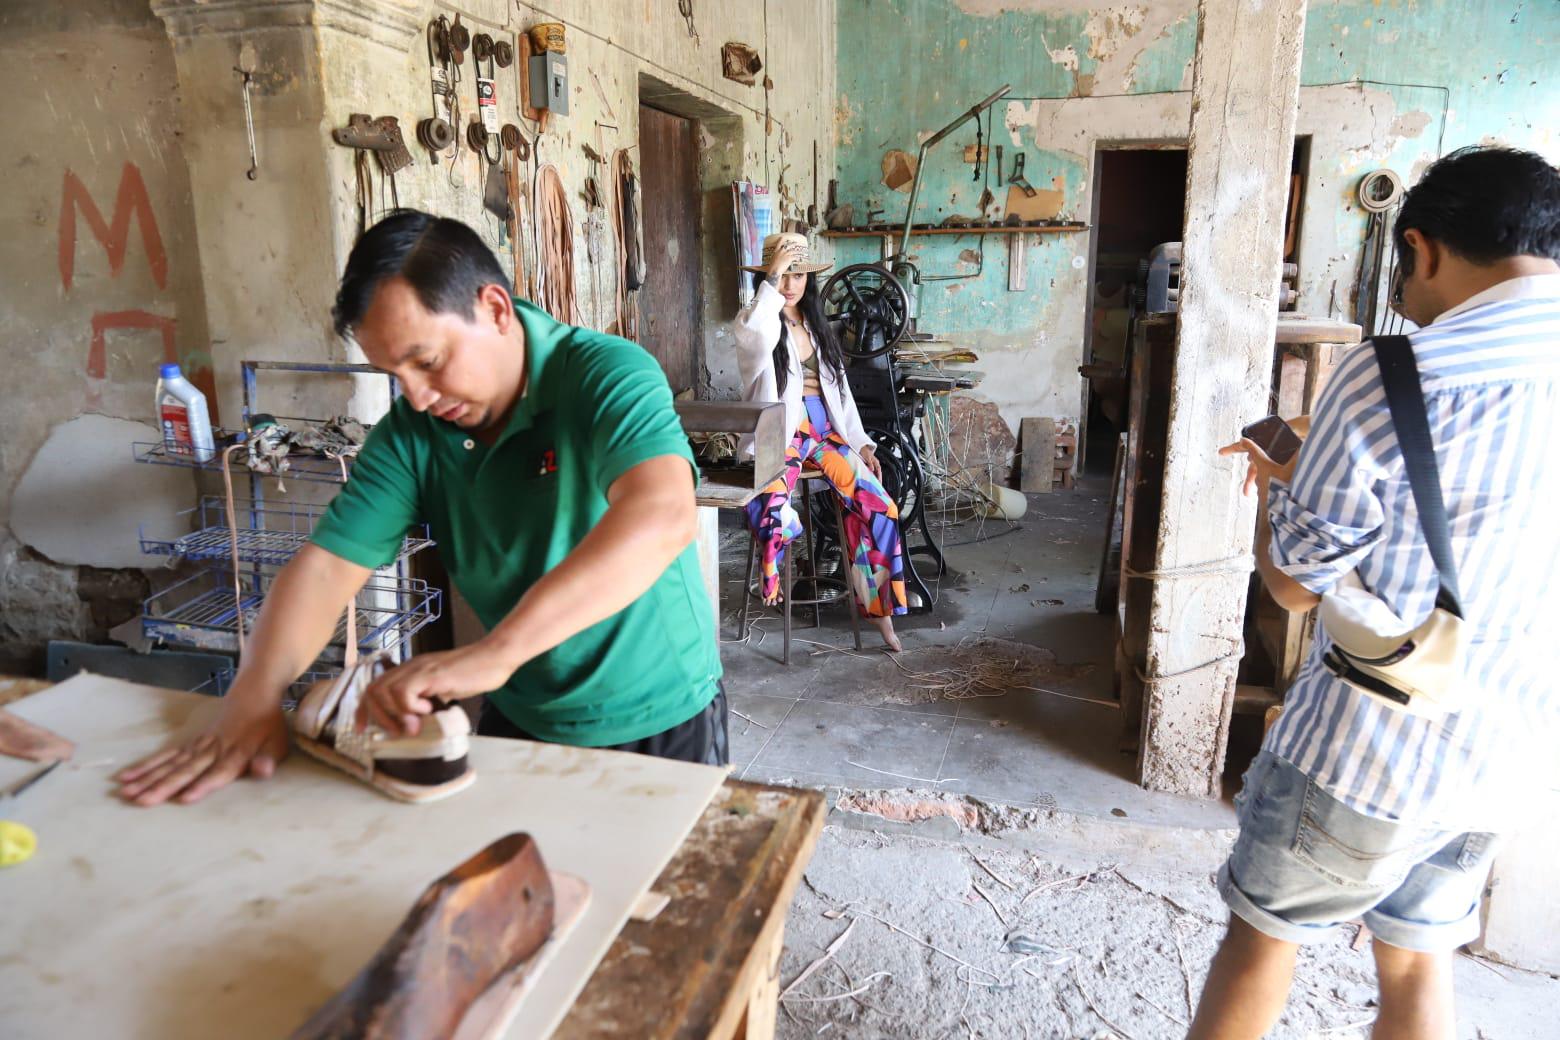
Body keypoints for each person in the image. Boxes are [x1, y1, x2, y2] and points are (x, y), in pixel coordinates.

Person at [117, 210, 726, 806]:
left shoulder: (604, 374)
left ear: (493, 309)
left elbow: (661, 514)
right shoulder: (412, 432)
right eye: (394, 374)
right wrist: (253, 696)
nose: (418, 396)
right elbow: (328, 568)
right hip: (520, 712)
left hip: (658, 716)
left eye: (428, 361)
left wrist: (492, 655)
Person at [1192, 146, 1560, 1040]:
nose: (1406, 296)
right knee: (1418, 959)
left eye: (1405, 271)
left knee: (1264, 940)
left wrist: (1286, 480)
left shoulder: (1392, 373)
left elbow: (1290, 588)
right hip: (1504, 752)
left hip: (1369, 751)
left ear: (1425, 250)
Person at [732, 233, 908, 651]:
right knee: (774, 511)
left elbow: (841, 395)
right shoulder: (756, 322)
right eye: (781, 274)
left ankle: (881, 615)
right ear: (768, 277)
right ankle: (774, 562)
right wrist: (770, 282)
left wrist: (862, 443)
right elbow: (755, 336)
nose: (790, 283)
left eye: (797, 274)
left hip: (826, 435)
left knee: (882, 509)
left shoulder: (819, 328)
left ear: (809, 279)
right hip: (782, 437)